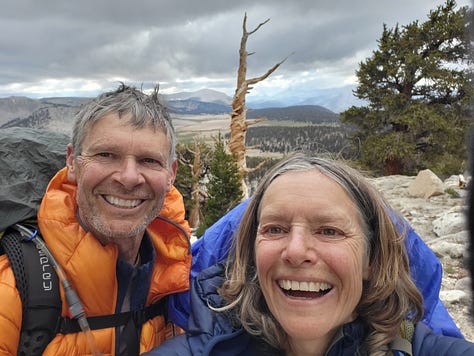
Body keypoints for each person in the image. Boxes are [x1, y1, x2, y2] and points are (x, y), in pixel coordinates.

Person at [148, 154, 474, 355]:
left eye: (329, 231)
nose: (295, 251)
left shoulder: (416, 346)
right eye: (275, 229)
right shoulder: (204, 348)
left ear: (372, 261)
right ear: (251, 254)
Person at [0, 84, 192, 355]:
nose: (128, 178)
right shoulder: (14, 287)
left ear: (171, 174)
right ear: (72, 162)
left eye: (149, 160)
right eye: (106, 155)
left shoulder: (179, 274)